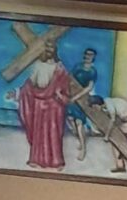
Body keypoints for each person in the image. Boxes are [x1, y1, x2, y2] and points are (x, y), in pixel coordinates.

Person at [18, 38, 72, 171]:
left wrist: (59, 93)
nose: (49, 50)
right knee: (39, 132)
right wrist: (21, 92)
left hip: (54, 104)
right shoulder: (38, 65)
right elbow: (30, 83)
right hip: (39, 102)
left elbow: (65, 88)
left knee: (53, 132)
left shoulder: (60, 68)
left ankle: (56, 161)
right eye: (47, 47)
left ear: (55, 50)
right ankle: (36, 159)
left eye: (51, 48)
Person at [67, 47, 99, 163]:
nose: (88, 56)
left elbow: (89, 87)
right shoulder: (78, 66)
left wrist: (76, 97)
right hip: (71, 95)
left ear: (93, 57)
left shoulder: (92, 71)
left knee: (79, 122)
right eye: (86, 54)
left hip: (82, 98)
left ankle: (83, 148)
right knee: (71, 120)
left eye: (90, 55)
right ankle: (80, 139)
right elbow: (69, 78)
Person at [100, 96, 127, 174]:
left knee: (114, 138)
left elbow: (113, 120)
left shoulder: (109, 105)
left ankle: (121, 164)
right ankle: (122, 162)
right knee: (123, 142)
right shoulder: (111, 101)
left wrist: (107, 135)